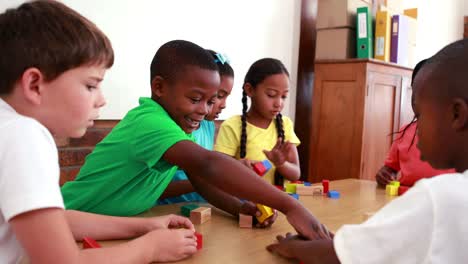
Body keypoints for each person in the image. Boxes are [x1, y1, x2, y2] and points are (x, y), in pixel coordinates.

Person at [61, 40, 330, 239]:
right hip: (69, 219)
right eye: (195, 99)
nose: (204, 110)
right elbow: (208, 165)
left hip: (103, 227)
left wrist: (239, 208)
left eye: (211, 101)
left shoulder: (176, 128)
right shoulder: (150, 121)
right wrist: (288, 204)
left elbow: (202, 181)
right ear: (159, 87)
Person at [0, 1, 198, 263]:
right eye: (92, 85)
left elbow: (57, 221)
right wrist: (149, 249)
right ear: (35, 84)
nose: (102, 100)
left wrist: (144, 226)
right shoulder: (23, 136)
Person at [267, 38, 468, 263]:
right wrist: (347, 244)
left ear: (457, 115)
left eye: (420, 115)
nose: (415, 126)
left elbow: (341, 258)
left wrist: (294, 248)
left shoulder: (441, 197)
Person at [157, 49, 234, 205]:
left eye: (225, 96)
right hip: (167, 209)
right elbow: (156, 189)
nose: (223, 105)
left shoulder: (207, 125)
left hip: (200, 207)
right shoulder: (168, 127)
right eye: (219, 96)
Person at [215, 58, 301, 186]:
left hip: (278, 202)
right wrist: (239, 167)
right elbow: (218, 172)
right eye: (271, 95)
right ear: (249, 90)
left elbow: (295, 173)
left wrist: (280, 163)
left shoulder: (285, 124)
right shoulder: (232, 126)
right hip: (244, 202)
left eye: (283, 96)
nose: (279, 103)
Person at [376, 59, 454, 187]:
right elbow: (390, 169)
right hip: (409, 200)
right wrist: (384, 175)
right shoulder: (405, 131)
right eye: (416, 90)